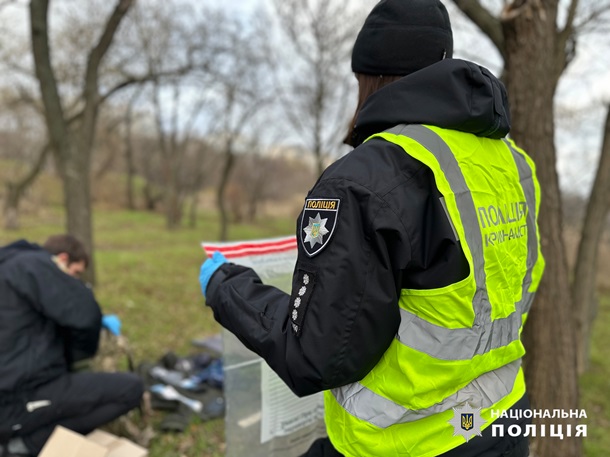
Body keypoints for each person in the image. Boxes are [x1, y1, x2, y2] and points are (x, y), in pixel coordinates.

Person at [199, 1, 545, 456]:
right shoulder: (511, 163)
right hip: (501, 423)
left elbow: (317, 355)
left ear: (367, 76)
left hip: (406, 442)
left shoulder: (364, 180)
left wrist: (226, 287)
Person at [0, 235, 143, 457]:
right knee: (130, 389)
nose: (73, 280)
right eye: (75, 273)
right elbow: (85, 314)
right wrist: (79, 356)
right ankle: (20, 446)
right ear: (62, 259)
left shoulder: (11, 268)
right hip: (16, 396)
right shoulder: (34, 266)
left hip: (16, 386)